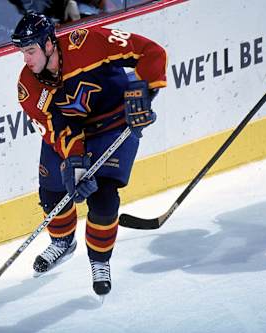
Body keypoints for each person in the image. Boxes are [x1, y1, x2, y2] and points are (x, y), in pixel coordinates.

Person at [11, 12, 167, 296]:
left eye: (30, 50)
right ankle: (63, 241)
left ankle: (99, 262)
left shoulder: (89, 43)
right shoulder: (29, 86)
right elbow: (55, 131)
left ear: (49, 44)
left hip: (114, 125)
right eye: (22, 52)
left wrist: (143, 92)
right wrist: (75, 160)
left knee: (104, 200)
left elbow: (150, 51)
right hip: (71, 135)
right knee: (52, 191)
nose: (26, 59)